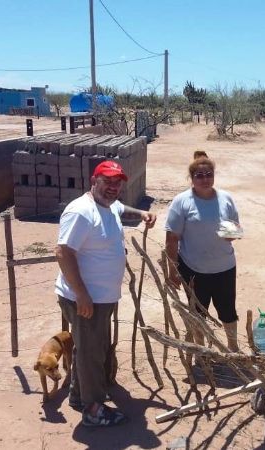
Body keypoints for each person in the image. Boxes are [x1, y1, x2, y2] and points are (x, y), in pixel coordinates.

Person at [55, 160, 156, 427]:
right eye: (107, 181)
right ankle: (93, 409)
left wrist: (142, 213)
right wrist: (82, 295)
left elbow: (123, 207)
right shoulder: (81, 212)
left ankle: (79, 396)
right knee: (92, 353)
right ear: (93, 181)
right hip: (86, 299)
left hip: (101, 297)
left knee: (90, 348)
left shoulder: (109, 206)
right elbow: (63, 252)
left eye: (117, 182)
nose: (113, 187)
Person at [164, 151, 241, 352]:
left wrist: (230, 233)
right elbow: (172, 238)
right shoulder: (182, 201)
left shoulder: (226, 198)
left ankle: (233, 348)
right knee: (197, 312)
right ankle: (201, 350)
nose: (205, 179)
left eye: (209, 174)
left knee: (227, 310)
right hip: (193, 269)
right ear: (191, 178)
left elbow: (234, 230)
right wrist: (172, 271)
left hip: (224, 266)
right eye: (200, 175)